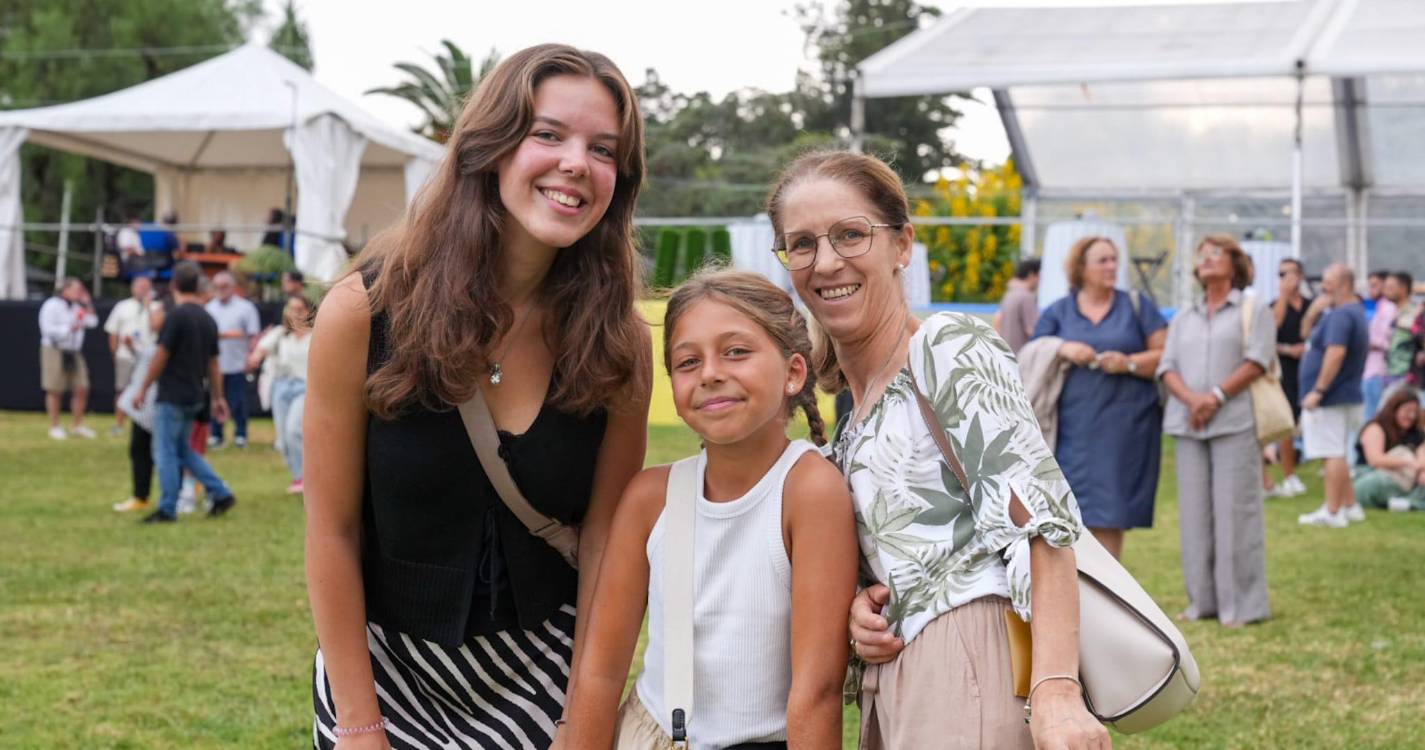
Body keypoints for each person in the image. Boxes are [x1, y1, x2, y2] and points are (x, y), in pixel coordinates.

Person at [304, 44, 651, 749]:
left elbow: (606, 545)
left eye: (603, 150)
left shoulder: (619, 342)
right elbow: (331, 532)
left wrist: (582, 716)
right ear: (490, 148)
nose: (576, 164)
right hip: (384, 679)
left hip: (547, 684)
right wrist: (360, 724)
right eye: (548, 134)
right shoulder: (363, 313)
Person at [771, 151, 1104, 749]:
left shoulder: (947, 346)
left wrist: (1057, 687)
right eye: (801, 244)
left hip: (970, 662)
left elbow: (1040, 522)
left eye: (850, 234)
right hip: (896, 686)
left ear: (902, 245)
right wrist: (862, 614)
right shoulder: (852, 421)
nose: (825, 262)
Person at [562, 270, 857, 749]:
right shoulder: (649, 499)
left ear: (793, 373)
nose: (711, 374)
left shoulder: (809, 491)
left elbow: (817, 692)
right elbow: (600, 672)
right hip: (652, 735)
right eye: (688, 362)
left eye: (736, 352)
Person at [1158, 235, 1274, 628]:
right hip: (1188, 422)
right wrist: (1193, 400)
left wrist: (1216, 397)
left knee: (1236, 515)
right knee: (1194, 517)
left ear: (1235, 263)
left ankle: (1241, 606)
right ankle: (1201, 602)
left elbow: (1258, 359)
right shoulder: (1183, 316)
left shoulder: (1253, 309)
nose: (1206, 259)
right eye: (1201, 255)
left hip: (1234, 423)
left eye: (1216, 253)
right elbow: (1167, 366)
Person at [1032, 236, 1167, 559]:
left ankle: (1109, 584)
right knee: (1066, 514)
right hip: (1071, 431)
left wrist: (1129, 363)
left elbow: (1167, 355)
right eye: (1102, 260)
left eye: (1114, 259)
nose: (1111, 267)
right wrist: (1063, 348)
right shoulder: (1059, 311)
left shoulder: (1136, 306)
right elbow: (1031, 354)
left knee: (1110, 514)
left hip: (1124, 430)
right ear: (1081, 267)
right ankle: (1071, 585)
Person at [131, 261, 237, 523]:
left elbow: (161, 355)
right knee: (183, 449)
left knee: (164, 451)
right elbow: (214, 363)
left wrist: (143, 387)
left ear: (173, 285)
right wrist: (218, 397)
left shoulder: (176, 316)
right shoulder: (207, 318)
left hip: (172, 394)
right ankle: (220, 492)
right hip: (195, 394)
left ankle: (168, 507)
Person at [1298, 262, 1370, 528]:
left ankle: (1332, 511)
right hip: (1345, 393)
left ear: (1344, 284)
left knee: (1332, 453)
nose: (1323, 287)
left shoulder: (1341, 315)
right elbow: (1306, 334)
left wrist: (1319, 390)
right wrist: (1312, 313)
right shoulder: (1352, 312)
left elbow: (1336, 352)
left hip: (1332, 396)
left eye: (1329, 282)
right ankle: (1350, 506)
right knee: (1337, 451)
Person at [247, 294, 314, 494]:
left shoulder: (316, 335)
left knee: (294, 430)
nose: (295, 313)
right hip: (282, 387)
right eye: (291, 309)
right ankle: (298, 477)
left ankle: (307, 478)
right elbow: (260, 350)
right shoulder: (280, 334)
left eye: (300, 309)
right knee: (283, 440)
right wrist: (255, 357)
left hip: (305, 388)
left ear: (309, 311)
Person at [113, 300, 167, 513]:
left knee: (159, 451)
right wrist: (132, 347)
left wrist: (142, 390)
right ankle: (142, 495)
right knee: (143, 449)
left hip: (154, 404)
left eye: (156, 314)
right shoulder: (158, 340)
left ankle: (197, 488)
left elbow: (154, 362)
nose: (152, 318)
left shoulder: (168, 340)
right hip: (148, 405)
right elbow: (147, 358)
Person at [1265, 258, 1312, 497]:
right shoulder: (1274, 305)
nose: (1286, 279)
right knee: (1287, 422)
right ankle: (1289, 475)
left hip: (1309, 368)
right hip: (1285, 369)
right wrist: (1288, 350)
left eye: (1290, 273)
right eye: (1281, 274)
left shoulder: (1311, 305)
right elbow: (1270, 332)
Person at [204, 270, 261, 448]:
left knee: (238, 401)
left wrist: (251, 357)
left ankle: (240, 434)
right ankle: (216, 434)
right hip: (216, 364)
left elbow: (253, 335)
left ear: (232, 287)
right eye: (217, 286)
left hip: (237, 363)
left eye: (224, 286)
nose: (220, 290)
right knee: (215, 400)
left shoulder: (245, 308)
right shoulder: (209, 308)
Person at [38, 277, 99, 440]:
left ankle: (77, 425)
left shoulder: (78, 307)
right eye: (76, 289)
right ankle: (55, 426)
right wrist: (69, 328)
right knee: (55, 389)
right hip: (55, 349)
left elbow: (93, 322)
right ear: (65, 290)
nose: (80, 293)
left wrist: (88, 303)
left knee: (82, 387)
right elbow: (47, 329)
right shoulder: (51, 305)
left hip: (74, 351)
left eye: (81, 290)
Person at [1353, 386, 1425, 510]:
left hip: (1407, 479)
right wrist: (1408, 463)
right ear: (1394, 409)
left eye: (1415, 412)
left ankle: (1404, 502)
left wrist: (1421, 470)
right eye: (1407, 411)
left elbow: (1422, 456)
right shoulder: (1375, 428)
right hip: (1372, 474)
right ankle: (1409, 502)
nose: (1411, 416)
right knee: (1401, 455)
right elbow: (1375, 460)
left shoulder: (1416, 434)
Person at [103, 276, 155, 436]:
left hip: (148, 358)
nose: (143, 290)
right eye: (140, 287)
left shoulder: (157, 307)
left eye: (146, 287)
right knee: (122, 389)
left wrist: (149, 308)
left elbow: (156, 328)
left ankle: (144, 423)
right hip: (126, 356)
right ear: (132, 288)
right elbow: (113, 331)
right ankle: (119, 425)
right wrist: (115, 353)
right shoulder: (122, 306)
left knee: (148, 391)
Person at [1362, 269, 1399, 420]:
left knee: (1372, 415)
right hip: (1367, 369)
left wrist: (1366, 342)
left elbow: (1387, 340)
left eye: (1375, 285)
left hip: (1378, 370)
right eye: (1370, 286)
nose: (1371, 290)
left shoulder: (1389, 308)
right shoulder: (1373, 307)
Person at [992, 257, 1041, 354]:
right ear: (1031, 275)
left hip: (1007, 355)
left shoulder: (1009, 295)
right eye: (1039, 276)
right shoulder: (1027, 297)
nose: (1040, 281)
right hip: (1022, 356)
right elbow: (1032, 331)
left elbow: (997, 325)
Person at [1383, 271, 1418, 393]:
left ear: (1403, 289)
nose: (1385, 291)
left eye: (1390, 287)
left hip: (1407, 376)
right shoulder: (1393, 313)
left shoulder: (1415, 314)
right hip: (1391, 374)